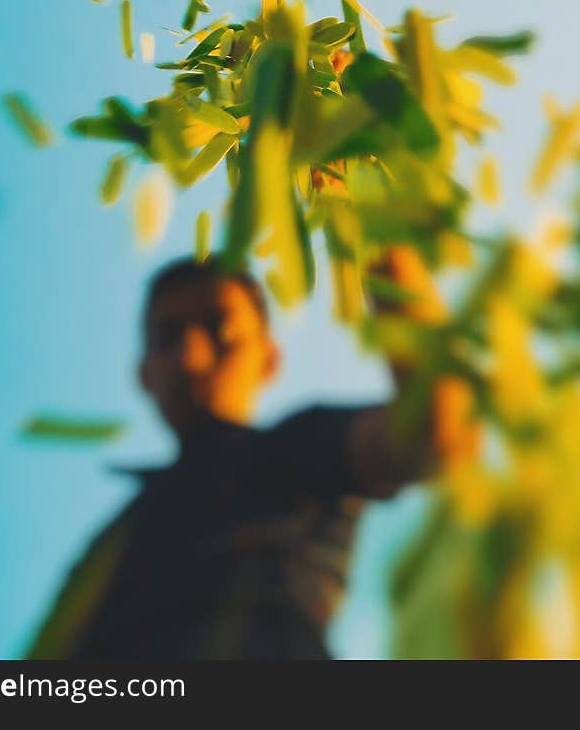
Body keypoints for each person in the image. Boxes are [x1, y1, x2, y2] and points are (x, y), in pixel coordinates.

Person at [26, 247, 445, 660]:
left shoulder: (296, 450)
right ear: (144, 374)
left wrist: (376, 236)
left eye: (218, 327)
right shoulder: (109, 544)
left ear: (269, 358)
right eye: (168, 336)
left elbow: (434, 428)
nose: (191, 355)